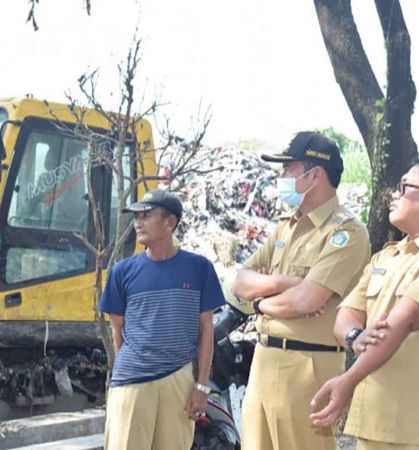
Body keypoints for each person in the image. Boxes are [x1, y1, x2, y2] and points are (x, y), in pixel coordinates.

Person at [310, 156, 419, 450]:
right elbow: (346, 315)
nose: (394, 194)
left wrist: (349, 379)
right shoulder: (387, 257)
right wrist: (356, 337)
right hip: (374, 421)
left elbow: (404, 319)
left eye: (405, 187)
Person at [233, 131, 371, 450]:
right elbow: (240, 281)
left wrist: (260, 304)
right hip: (264, 358)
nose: (282, 177)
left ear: (315, 175)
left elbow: (308, 299)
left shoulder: (346, 232)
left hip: (308, 364)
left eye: (288, 169)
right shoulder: (286, 225)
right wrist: (284, 284)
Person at [99, 189, 225, 450]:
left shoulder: (199, 268)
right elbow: (117, 331)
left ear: (170, 223)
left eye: (146, 216)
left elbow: (206, 331)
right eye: (136, 217)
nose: (138, 223)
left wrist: (201, 386)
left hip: (179, 379)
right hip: (131, 381)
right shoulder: (122, 272)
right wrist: (137, 366)